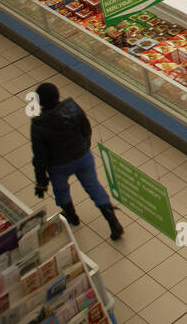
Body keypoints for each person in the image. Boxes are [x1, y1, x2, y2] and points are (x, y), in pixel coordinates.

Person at [30, 83, 124, 240]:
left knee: (61, 190)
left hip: (58, 165)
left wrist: (41, 182)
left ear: (39, 103)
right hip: (82, 158)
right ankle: (113, 222)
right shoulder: (72, 107)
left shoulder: (38, 125)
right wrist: (84, 147)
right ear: (58, 96)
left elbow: (39, 157)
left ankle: (72, 217)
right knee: (94, 187)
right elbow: (87, 129)